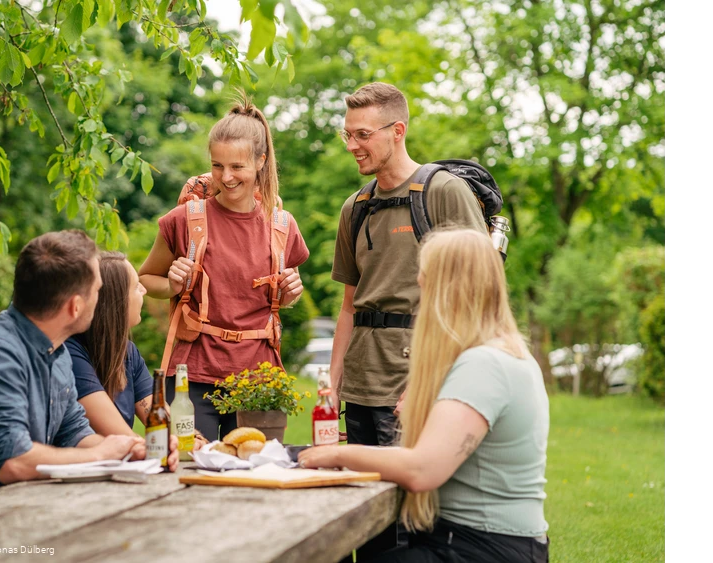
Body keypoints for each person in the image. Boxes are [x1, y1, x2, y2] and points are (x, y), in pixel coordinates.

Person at [300, 228, 550, 563]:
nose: (419, 297)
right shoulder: (499, 353)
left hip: (481, 547)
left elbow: (422, 470)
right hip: (478, 542)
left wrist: (331, 455)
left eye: (425, 284)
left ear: (448, 291)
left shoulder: (485, 364)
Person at [329, 82, 488, 556]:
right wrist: (332, 382)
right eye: (347, 134)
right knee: (363, 522)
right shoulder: (355, 207)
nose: (352, 145)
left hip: (415, 384)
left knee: (412, 526)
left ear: (397, 131)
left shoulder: (444, 192)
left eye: (362, 135)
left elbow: (476, 296)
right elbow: (349, 305)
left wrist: (431, 381)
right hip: (361, 385)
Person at [0, 230, 150, 510]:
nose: (102, 300)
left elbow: (74, 433)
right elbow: (13, 461)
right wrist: (100, 455)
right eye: (97, 290)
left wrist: (129, 451)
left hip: (12, 509)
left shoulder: (57, 351)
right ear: (75, 306)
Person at [139, 93, 310, 442]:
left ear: (261, 161)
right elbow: (145, 278)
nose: (226, 177)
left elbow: (281, 297)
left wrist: (291, 293)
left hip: (258, 378)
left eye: (237, 167)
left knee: (255, 469)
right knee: (188, 465)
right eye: (217, 166)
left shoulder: (282, 226)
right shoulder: (185, 220)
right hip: (192, 374)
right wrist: (171, 285)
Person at [65, 251, 207, 449]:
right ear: (114, 300)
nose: (144, 290)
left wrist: (193, 439)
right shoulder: (71, 353)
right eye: (135, 286)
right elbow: (120, 435)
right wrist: (176, 443)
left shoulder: (127, 352)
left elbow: (160, 419)